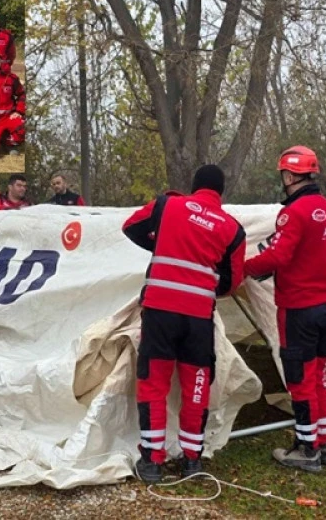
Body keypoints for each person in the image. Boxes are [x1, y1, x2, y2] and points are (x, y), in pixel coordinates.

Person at [121, 164, 247, 483]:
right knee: (197, 385)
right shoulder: (232, 229)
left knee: (154, 382)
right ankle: (192, 460)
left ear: (194, 185)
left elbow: (130, 226)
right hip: (198, 318)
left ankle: (152, 461)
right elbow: (232, 281)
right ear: (221, 192)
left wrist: (161, 243)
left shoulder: (168, 205)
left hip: (160, 311)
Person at [243, 146, 326, 473]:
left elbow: (279, 255)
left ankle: (306, 449)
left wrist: (245, 267)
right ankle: (325, 442)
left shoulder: (293, 213)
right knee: (320, 376)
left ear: (288, 176)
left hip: (299, 307)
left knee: (300, 378)